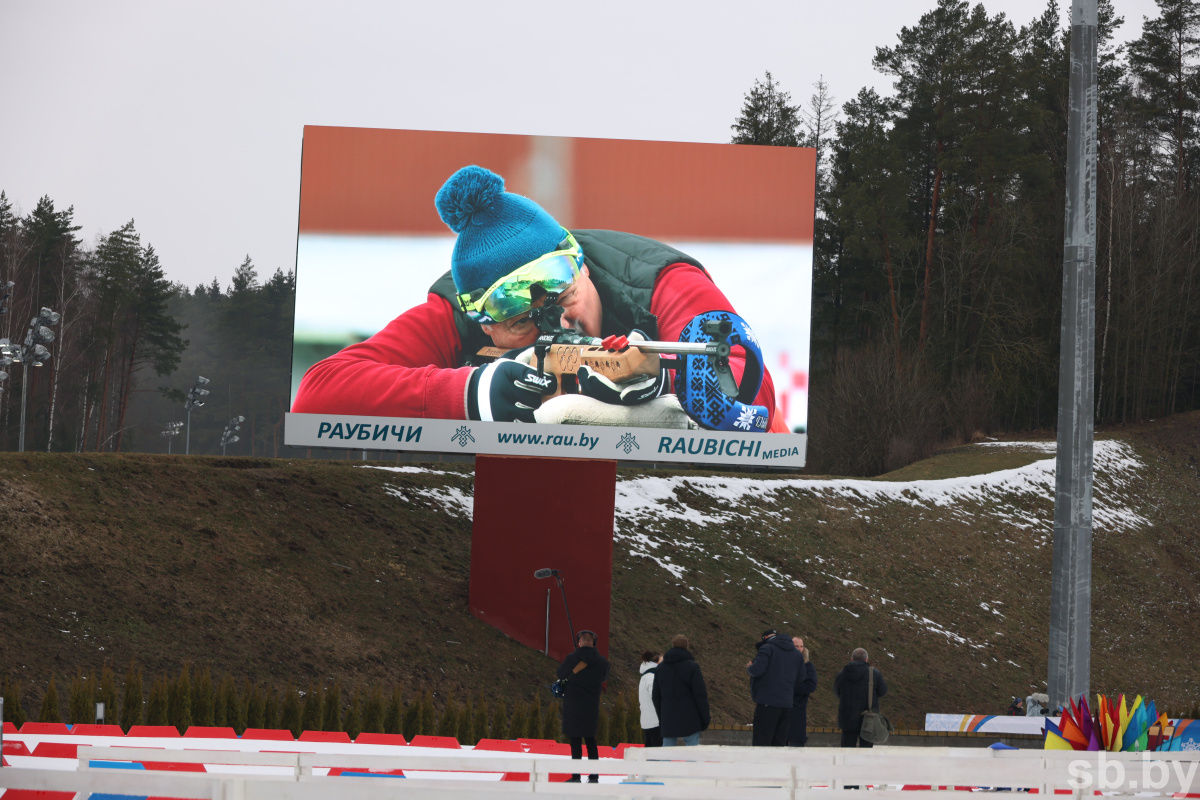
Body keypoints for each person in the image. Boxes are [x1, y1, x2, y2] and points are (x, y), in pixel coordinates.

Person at [292, 164, 784, 432]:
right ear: (482, 323)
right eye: (515, 314)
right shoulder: (451, 312)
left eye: (559, 287)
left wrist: (660, 382)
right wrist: (470, 394)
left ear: (581, 264)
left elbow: (752, 393)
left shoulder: (656, 279)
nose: (557, 319)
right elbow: (319, 394)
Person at [556, 629, 610, 783]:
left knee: (575, 741)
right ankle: (594, 776)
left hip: (573, 704)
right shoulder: (602, 662)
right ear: (593, 643)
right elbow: (604, 676)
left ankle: (576, 776)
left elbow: (561, 674)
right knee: (591, 741)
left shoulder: (572, 658)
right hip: (591, 706)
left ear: (579, 643)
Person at [746, 628, 803, 746]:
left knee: (762, 742)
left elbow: (757, 670)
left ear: (765, 639)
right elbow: (801, 678)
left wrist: (750, 667)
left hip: (767, 703)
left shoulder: (767, 649)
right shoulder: (797, 654)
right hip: (786, 704)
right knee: (779, 743)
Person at [651, 634, 711, 746]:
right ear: (686, 646)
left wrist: (662, 716)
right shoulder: (692, 667)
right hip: (690, 719)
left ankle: (664, 764)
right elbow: (700, 695)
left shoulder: (661, 668)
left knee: (666, 753)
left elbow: (656, 696)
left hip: (668, 717)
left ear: (672, 645)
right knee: (692, 753)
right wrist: (705, 718)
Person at [833, 647, 887, 747]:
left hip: (847, 718)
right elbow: (882, 691)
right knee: (866, 753)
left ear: (852, 659)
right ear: (866, 659)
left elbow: (837, 691)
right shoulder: (874, 674)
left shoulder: (843, 673)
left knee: (847, 751)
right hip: (868, 719)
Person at [788, 636, 818, 746]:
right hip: (781, 706)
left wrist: (792, 688)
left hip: (798, 708)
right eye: (796, 646)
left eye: (801, 646)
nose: (799, 649)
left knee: (796, 742)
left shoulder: (808, 666)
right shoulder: (783, 663)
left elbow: (811, 685)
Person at [638, 651, 663, 747]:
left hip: (648, 721)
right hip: (655, 721)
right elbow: (657, 697)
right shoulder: (652, 677)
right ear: (656, 662)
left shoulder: (646, 676)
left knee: (650, 753)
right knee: (657, 754)